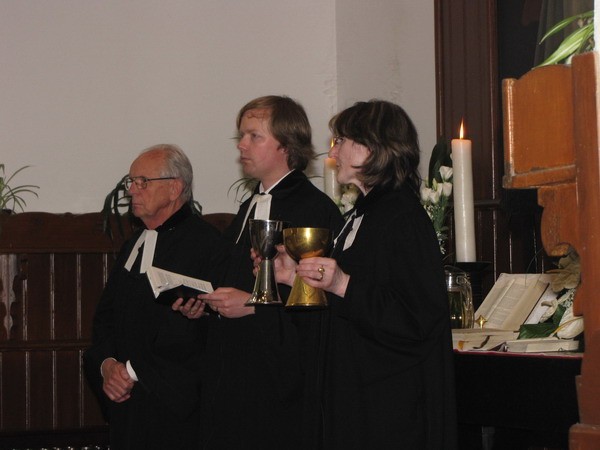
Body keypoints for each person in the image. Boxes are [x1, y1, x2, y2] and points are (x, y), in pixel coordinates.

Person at [269, 100, 457, 449]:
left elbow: (418, 320)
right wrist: (294, 278)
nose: (332, 152)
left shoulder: (403, 218)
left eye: (340, 141)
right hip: (355, 398)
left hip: (390, 409)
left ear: (371, 148)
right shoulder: (362, 215)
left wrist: (342, 283)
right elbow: (346, 308)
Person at [175, 95, 343, 449]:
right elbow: (232, 277)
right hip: (234, 368)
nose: (242, 146)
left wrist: (254, 305)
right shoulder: (252, 204)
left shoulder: (313, 209)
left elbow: (317, 302)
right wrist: (205, 303)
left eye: (254, 136)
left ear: (286, 145)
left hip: (278, 379)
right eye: (242, 136)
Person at [84, 144, 232, 450]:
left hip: (175, 409)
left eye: (142, 182)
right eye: (131, 181)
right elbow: (106, 317)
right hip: (127, 401)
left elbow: (199, 332)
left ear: (174, 188)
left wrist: (132, 370)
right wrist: (107, 366)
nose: (131, 191)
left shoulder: (207, 245)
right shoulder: (134, 245)